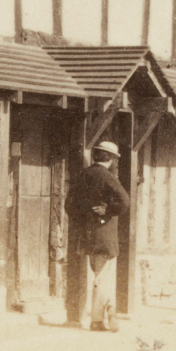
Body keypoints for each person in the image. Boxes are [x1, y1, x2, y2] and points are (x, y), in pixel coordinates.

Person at [64, 140, 130, 331]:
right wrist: (107, 210)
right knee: (103, 276)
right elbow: (124, 201)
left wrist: (85, 218)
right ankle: (98, 319)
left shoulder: (82, 175)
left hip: (87, 234)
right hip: (105, 234)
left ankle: (107, 311)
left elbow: (70, 205)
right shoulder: (108, 177)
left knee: (96, 274)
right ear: (110, 159)